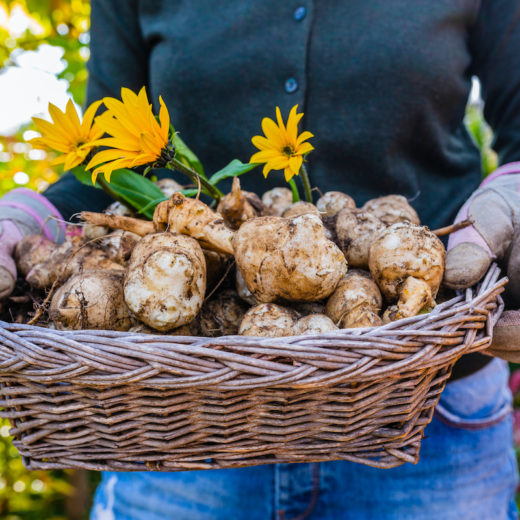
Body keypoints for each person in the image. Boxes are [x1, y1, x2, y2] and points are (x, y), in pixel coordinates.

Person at [1, 1, 520, 518]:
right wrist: (26, 218)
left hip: (426, 405)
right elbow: (103, 161)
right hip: (179, 420)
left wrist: (511, 195)